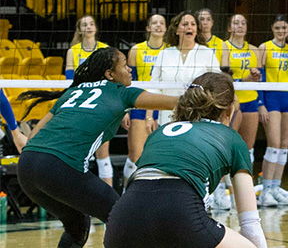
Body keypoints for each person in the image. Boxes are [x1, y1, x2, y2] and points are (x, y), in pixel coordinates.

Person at [17, 47, 177, 248]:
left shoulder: (73, 92)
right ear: (110, 74)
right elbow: (175, 103)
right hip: (59, 166)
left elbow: (33, 136)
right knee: (122, 217)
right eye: (125, 65)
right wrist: (204, 94)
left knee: (76, 224)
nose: (130, 70)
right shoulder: (122, 93)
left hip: (26, 167)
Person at [105, 72, 267, 248]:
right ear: (228, 110)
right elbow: (250, 224)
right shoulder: (231, 137)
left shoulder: (161, 131)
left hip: (121, 220)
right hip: (179, 211)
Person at [151, 10, 226, 207]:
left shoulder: (206, 53)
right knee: (170, 155)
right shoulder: (164, 54)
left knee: (198, 155)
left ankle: (203, 196)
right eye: (185, 24)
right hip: (168, 114)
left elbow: (217, 83)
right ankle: (169, 196)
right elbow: (153, 85)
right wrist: (149, 115)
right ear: (176, 29)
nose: (189, 28)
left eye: (193, 24)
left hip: (199, 115)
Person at [261, 15, 288, 206]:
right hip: (271, 96)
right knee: (273, 144)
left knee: (284, 145)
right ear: (272, 28)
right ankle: (266, 190)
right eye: (278, 28)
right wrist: (260, 103)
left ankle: (276, 188)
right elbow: (261, 77)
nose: (281, 31)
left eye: (284, 28)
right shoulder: (264, 47)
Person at [66, 15, 115, 187]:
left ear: (96, 28)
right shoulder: (73, 51)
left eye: (91, 24)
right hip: (81, 105)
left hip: (101, 105)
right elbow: (69, 81)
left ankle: (110, 201)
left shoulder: (105, 49)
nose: (88, 27)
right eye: (84, 24)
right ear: (79, 29)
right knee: (78, 152)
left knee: (103, 153)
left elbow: (112, 78)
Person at [124, 14, 168, 183]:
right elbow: (130, 82)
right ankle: (127, 192)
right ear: (148, 28)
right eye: (154, 23)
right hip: (141, 103)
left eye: (162, 23)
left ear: (166, 28)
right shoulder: (136, 50)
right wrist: (126, 108)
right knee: (136, 155)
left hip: (164, 104)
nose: (158, 26)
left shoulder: (170, 50)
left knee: (161, 154)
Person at [222, 14, 264, 169]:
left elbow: (260, 81)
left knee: (248, 148)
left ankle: (246, 186)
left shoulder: (254, 50)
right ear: (229, 27)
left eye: (243, 23)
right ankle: (222, 189)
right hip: (231, 102)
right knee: (227, 144)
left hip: (251, 101)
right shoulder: (224, 47)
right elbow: (224, 77)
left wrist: (255, 76)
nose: (240, 26)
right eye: (235, 23)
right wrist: (244, 81)